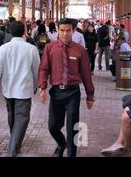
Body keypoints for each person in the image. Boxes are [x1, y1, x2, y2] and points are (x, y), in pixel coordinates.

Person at [39, 18, 95, 157]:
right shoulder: (49, 48)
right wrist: (42, 88)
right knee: (53, 126)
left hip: (72, 93)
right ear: (58, 30)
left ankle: (71, 154)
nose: (65, 34)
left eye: (68, 31)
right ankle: (61, 143)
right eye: (62, 31)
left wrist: (90, 95)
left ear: (73, 31)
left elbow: (86, 74)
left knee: (72, 128)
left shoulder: (80, 50)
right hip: (56, 93)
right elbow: (43, 69)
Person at [0, 21, 40, 157]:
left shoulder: (4, 48)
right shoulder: (31, 49)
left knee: (12, 116)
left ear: (10, 32)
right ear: (24, 31)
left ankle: (14, 145)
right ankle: (12, 151)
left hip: (8, 90)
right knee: (22, 119)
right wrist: (37, 86)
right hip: (24, 90)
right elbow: (36, 71)